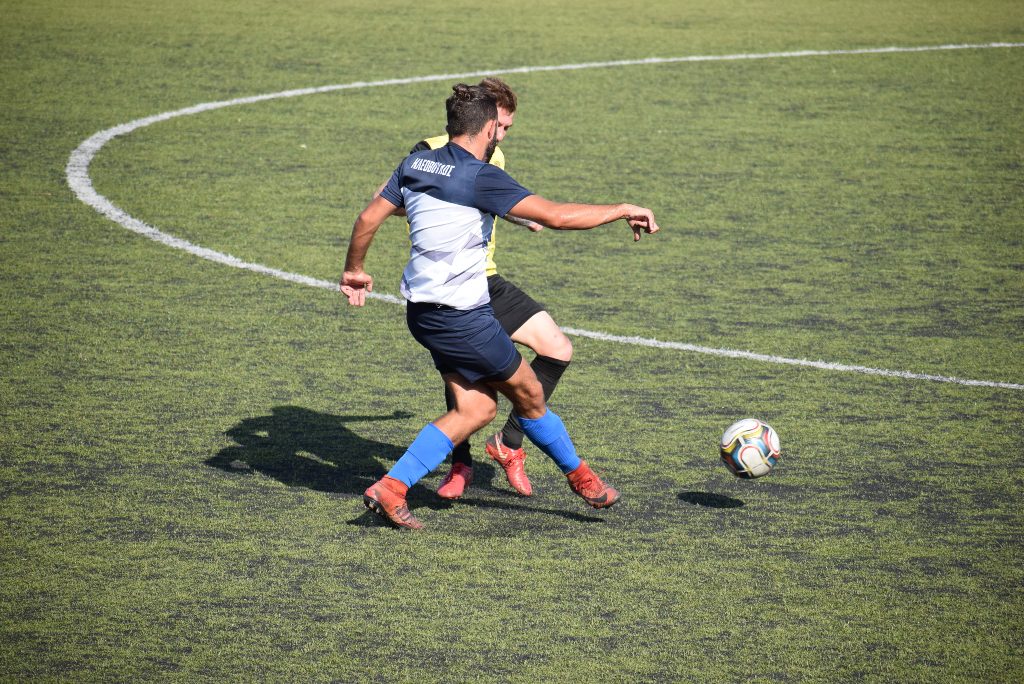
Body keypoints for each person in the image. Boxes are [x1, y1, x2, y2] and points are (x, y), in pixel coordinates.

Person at [341, 83, 659, 529]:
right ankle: (582, 478)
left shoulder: (415, 163)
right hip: (462, 317)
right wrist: (622, 208)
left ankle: (391, 487)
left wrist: (354, 270)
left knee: (475, 410)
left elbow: (368, 217)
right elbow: (557, 216)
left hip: (422, 314)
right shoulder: (481, 175)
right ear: (489, 127)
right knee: (529, 393)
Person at [389, 78, 570, 501]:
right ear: (484, 120)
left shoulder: (494, 155)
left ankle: (508, 443)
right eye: (499, 126)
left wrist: (520, 217)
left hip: (488, 278)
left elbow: (490, 198)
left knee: (557, 349)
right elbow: (396, 201)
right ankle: (460, 463)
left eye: (507, 128)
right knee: (464, 382)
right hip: (456, 285)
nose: (501, 135)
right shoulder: (429, 152)